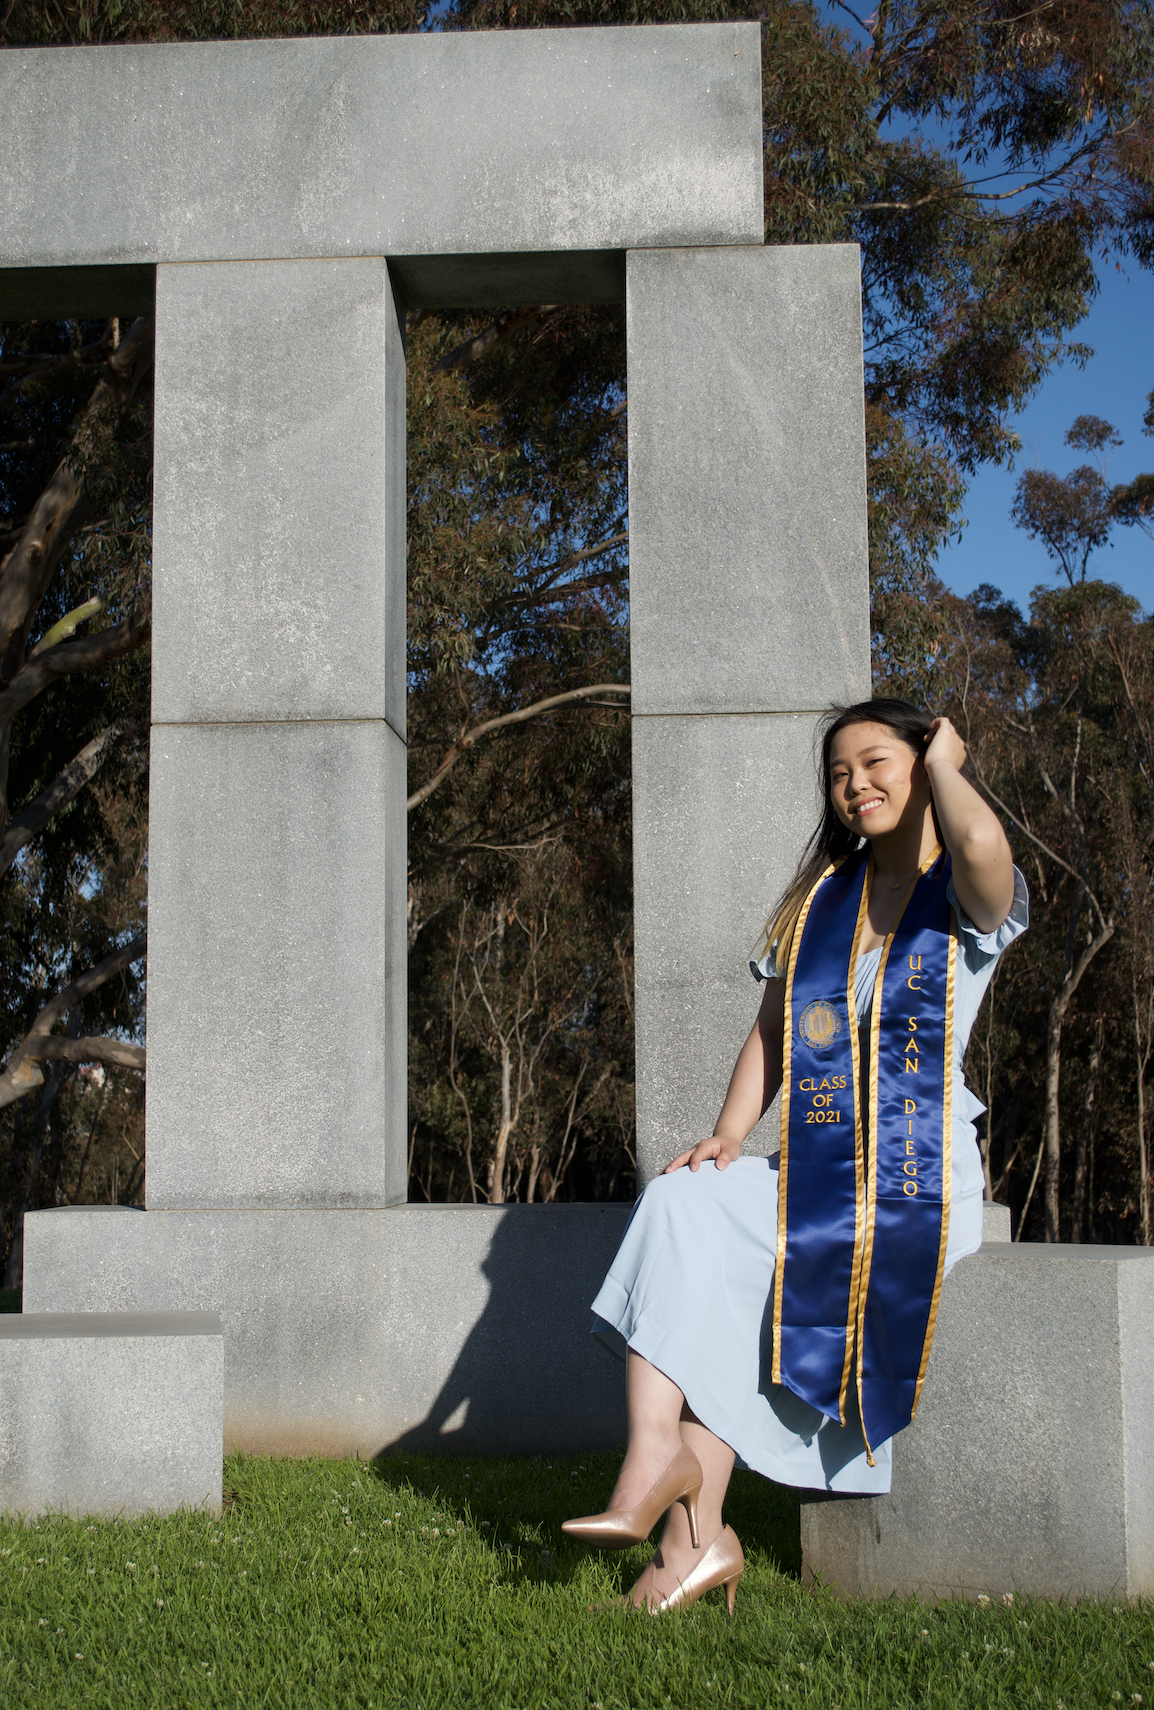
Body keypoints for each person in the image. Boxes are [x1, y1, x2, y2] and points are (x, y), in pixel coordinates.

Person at [561, 698, 1028, 1613]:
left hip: (914, 1183)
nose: (857, 783)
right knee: (682, 1200)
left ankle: (689, 1548)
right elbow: (774, 1033)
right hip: (816, 1173)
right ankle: (654, 1457)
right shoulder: (821, 902)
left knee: (746, 1297)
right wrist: (731, 1136)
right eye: (840, 772)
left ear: (924, 766)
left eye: (878, 762)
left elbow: (980, 850)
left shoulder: (964, 896)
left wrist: (948, 766)